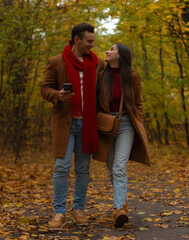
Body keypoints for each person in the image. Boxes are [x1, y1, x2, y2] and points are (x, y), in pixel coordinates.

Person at [41, 23, 105, 231]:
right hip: (65, 124)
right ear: (77, 40)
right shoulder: (56, 62)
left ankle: (79, 209)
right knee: (61, 167)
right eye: (89, 41)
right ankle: (59, 212)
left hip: (87, 125)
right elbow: (44, 89)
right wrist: (58, 95)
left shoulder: (98, 64)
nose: (92, 45)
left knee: (83, 169)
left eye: (93, 41)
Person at [94, 43, 151, 228]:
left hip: (126, 125)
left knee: (119, 167)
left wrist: (138, 122)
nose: (107, 51)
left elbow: (138, 103)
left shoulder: (132, 76)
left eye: (112, 49)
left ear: (121, 55)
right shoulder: (102, 76)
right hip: (106, 125)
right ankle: (123, 203)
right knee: (112, 168)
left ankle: (119, 209)